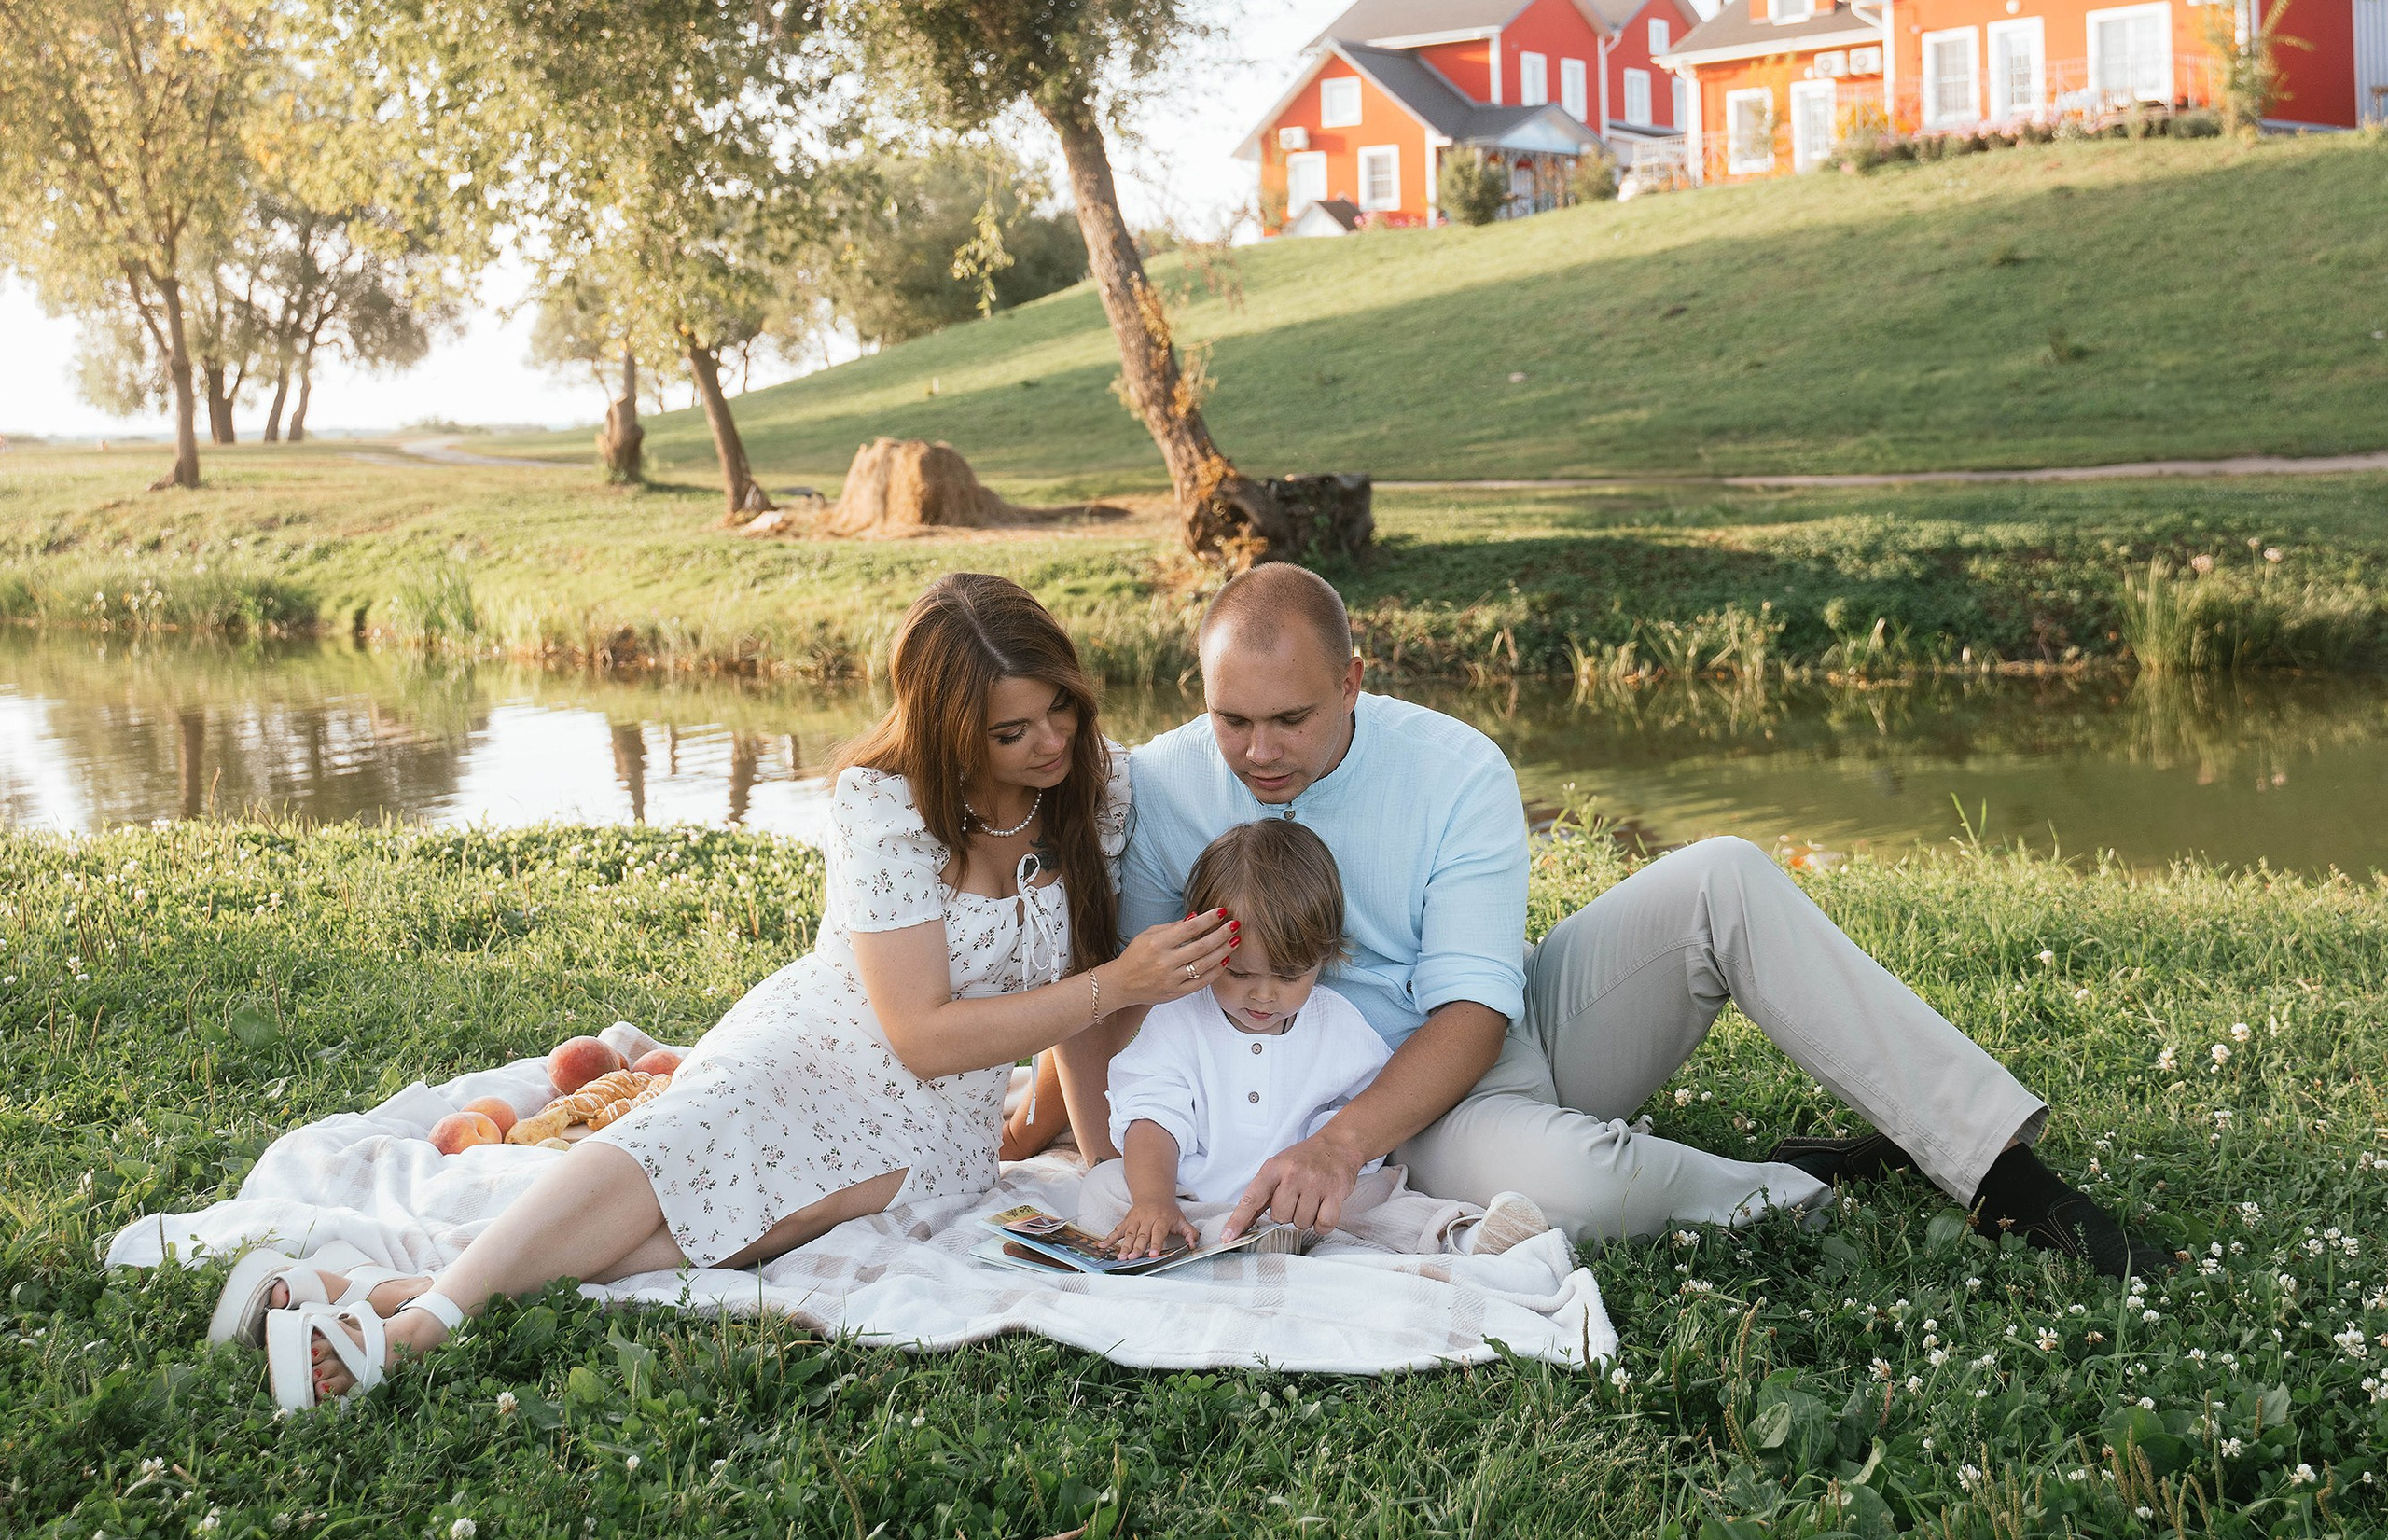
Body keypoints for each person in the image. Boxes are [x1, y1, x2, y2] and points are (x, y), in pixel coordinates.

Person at [249, 571, 1238, 1407]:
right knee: (678, 1147)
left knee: (757, 1225)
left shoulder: (1094, 792)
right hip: (819, 1047)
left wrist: (1102, 1151)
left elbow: (1078, 985)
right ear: (947, 733)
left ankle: (381, 1288)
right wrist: (1118, 985)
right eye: (1011, 731)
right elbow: (925, 1033)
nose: (1049, 741)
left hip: (944, 1122)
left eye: (1059, 708)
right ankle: (422, 1330)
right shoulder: (886, 808)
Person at [1114, 562, 2167, 1275]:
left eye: (1290, 718)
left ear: (1352, 681)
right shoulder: (1162, 787)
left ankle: (1996, 1168)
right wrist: (1114, 1156)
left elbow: (1479, 1012)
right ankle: (1797, 1186)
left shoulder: (1452, 768)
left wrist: (1338, 1149)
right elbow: (1139, 1007)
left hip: (1468, 1054)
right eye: (1231, 720)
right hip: (1375, 1119)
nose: (1258, 752)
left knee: (1722, 873)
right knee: (1571, 1183)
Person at [1080, 816, 1550, 1263]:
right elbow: (1152, 1117)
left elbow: (1369, 1118)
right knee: (1105, 1188)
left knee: (1386, 1198)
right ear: (1202, 942)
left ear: (1322, 956)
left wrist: (1341, 1173)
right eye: (1239, 972)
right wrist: (1154, 1198)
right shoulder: (1179, 1019)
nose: (1263, 995)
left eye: (1288, 976)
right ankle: (1201, 1227)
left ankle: (1466, 1234)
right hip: (1189, 1189)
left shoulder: (1337, 1024)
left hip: (1305, 1200)